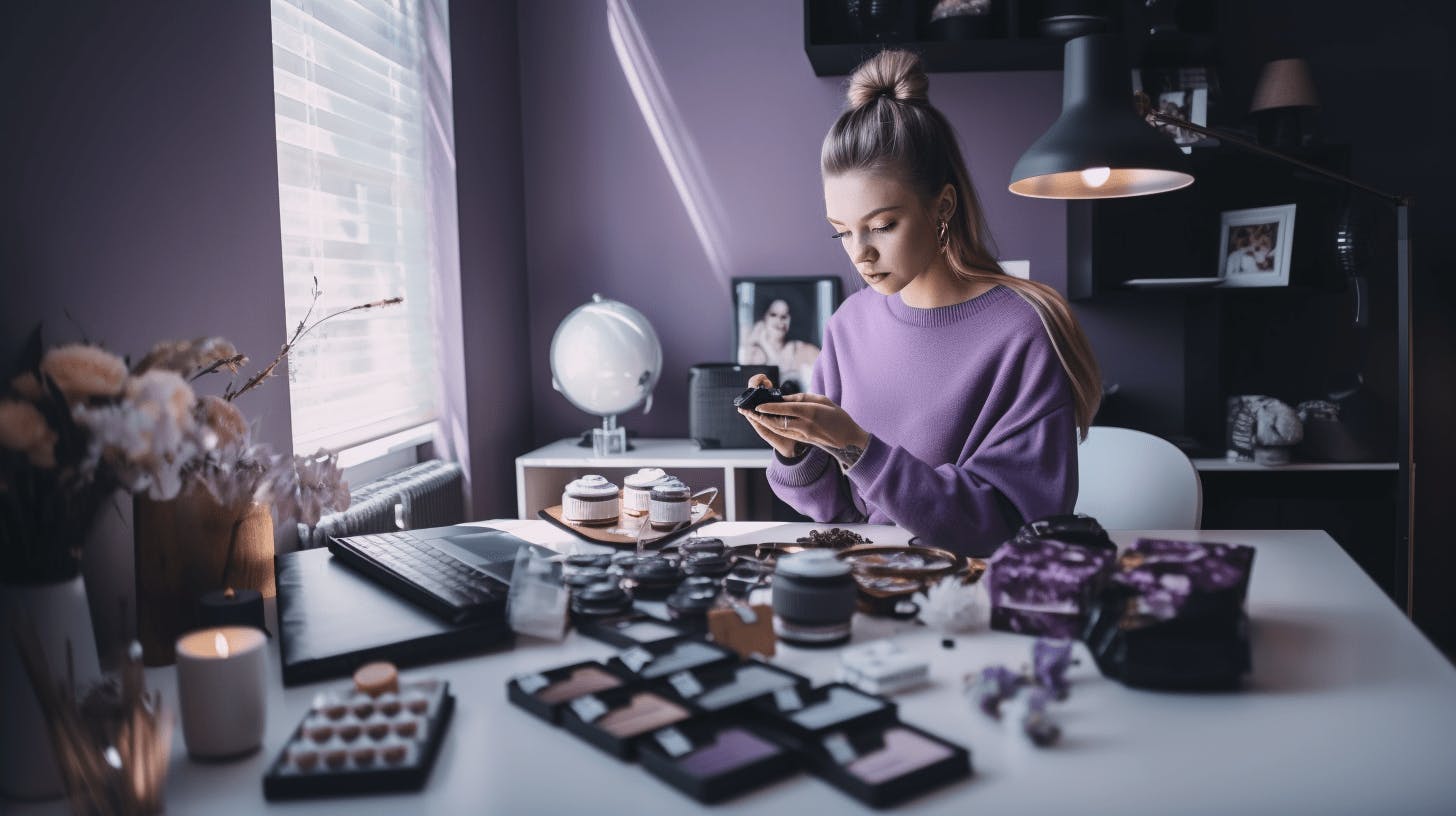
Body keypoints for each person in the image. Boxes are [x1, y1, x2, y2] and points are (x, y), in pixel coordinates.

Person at [738, 50, 1102, 557]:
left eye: (883, 225)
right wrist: (798, 450)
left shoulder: (1022, 332)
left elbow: (1010, 528)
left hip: (979, 600)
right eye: (842, 232)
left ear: (943, 207)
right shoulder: (849, 326)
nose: (860, 254)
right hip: (876, 587)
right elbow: (846, 516)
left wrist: (859, 448)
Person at [738, 298, 821, 390]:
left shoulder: (804, 349)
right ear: (764, 317)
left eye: (784, 316)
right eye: (773, 314)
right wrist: (763, 342)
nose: (779, 319)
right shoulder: (753, 353)